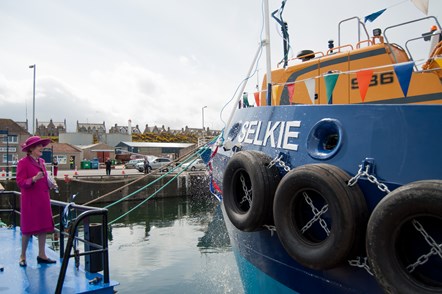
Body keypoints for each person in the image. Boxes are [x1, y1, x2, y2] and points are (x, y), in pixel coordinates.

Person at [16, 136, 58, 267]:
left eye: (41, 145)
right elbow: (20, 182)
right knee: (27, 229)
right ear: (31, 149)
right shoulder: (23, 163)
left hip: (43, 199)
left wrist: (51, 184)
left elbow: (44, 178)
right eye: (39, 146)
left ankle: (42, 254)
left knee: (43, 228)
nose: (42, 148)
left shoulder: (42, 162)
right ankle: (22, 256)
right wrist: (33, 179)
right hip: (30, 200)